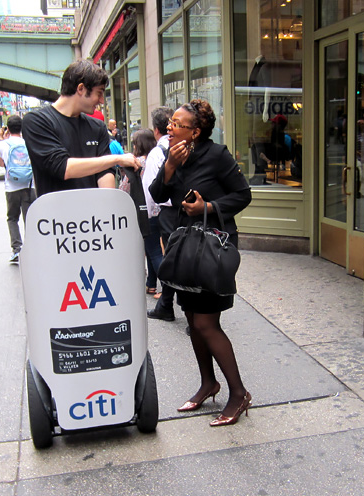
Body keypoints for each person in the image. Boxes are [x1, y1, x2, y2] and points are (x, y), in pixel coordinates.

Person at [149, 99, 253, 426]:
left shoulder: (217, 155)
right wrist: (168, 169)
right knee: (193, 321)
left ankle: (238, 393)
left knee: (207, 323)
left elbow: (242, 195)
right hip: (185, 248)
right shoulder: (174, 155)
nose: (169, 126)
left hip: (213, 248)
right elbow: (156, 193)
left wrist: (207, 207)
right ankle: (208, 383)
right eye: (170, 123)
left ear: (195, 131)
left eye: (176, 124)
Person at [21, 59, 139, 197]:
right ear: (81, 88)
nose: (101, 100)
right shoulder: (37, 121)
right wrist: (117, 159)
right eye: (99, 92)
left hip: (94, 216)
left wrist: (108, 208)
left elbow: (105, 172)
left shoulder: (97, 126)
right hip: (55, 216)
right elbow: (63, 167)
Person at [144, 106, 176, 318]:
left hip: (166, 212)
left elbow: (150, 189)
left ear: (156, 130)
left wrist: (150, 213)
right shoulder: (185, 146)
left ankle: (167, 300)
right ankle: (166, 304)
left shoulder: (157, 153)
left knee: (165, 254)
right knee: (182, 256)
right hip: (189, 209)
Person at [0, 115, 37, 263]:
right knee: (30, 218)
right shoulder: (29, 142)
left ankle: (16, 249)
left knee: (12, 218)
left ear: (7, 128)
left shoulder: (2, 145)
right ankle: (32, 249)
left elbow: (1, 164)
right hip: (29, 186)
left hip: (11, 187)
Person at [130, 128, 160, 295]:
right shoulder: (157, 157)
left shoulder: (137, 163)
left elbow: (125, 187)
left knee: (153, 250)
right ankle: (151, 283)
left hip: (143, 210)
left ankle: (168, 287)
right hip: (158, 209)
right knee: (152, 248)